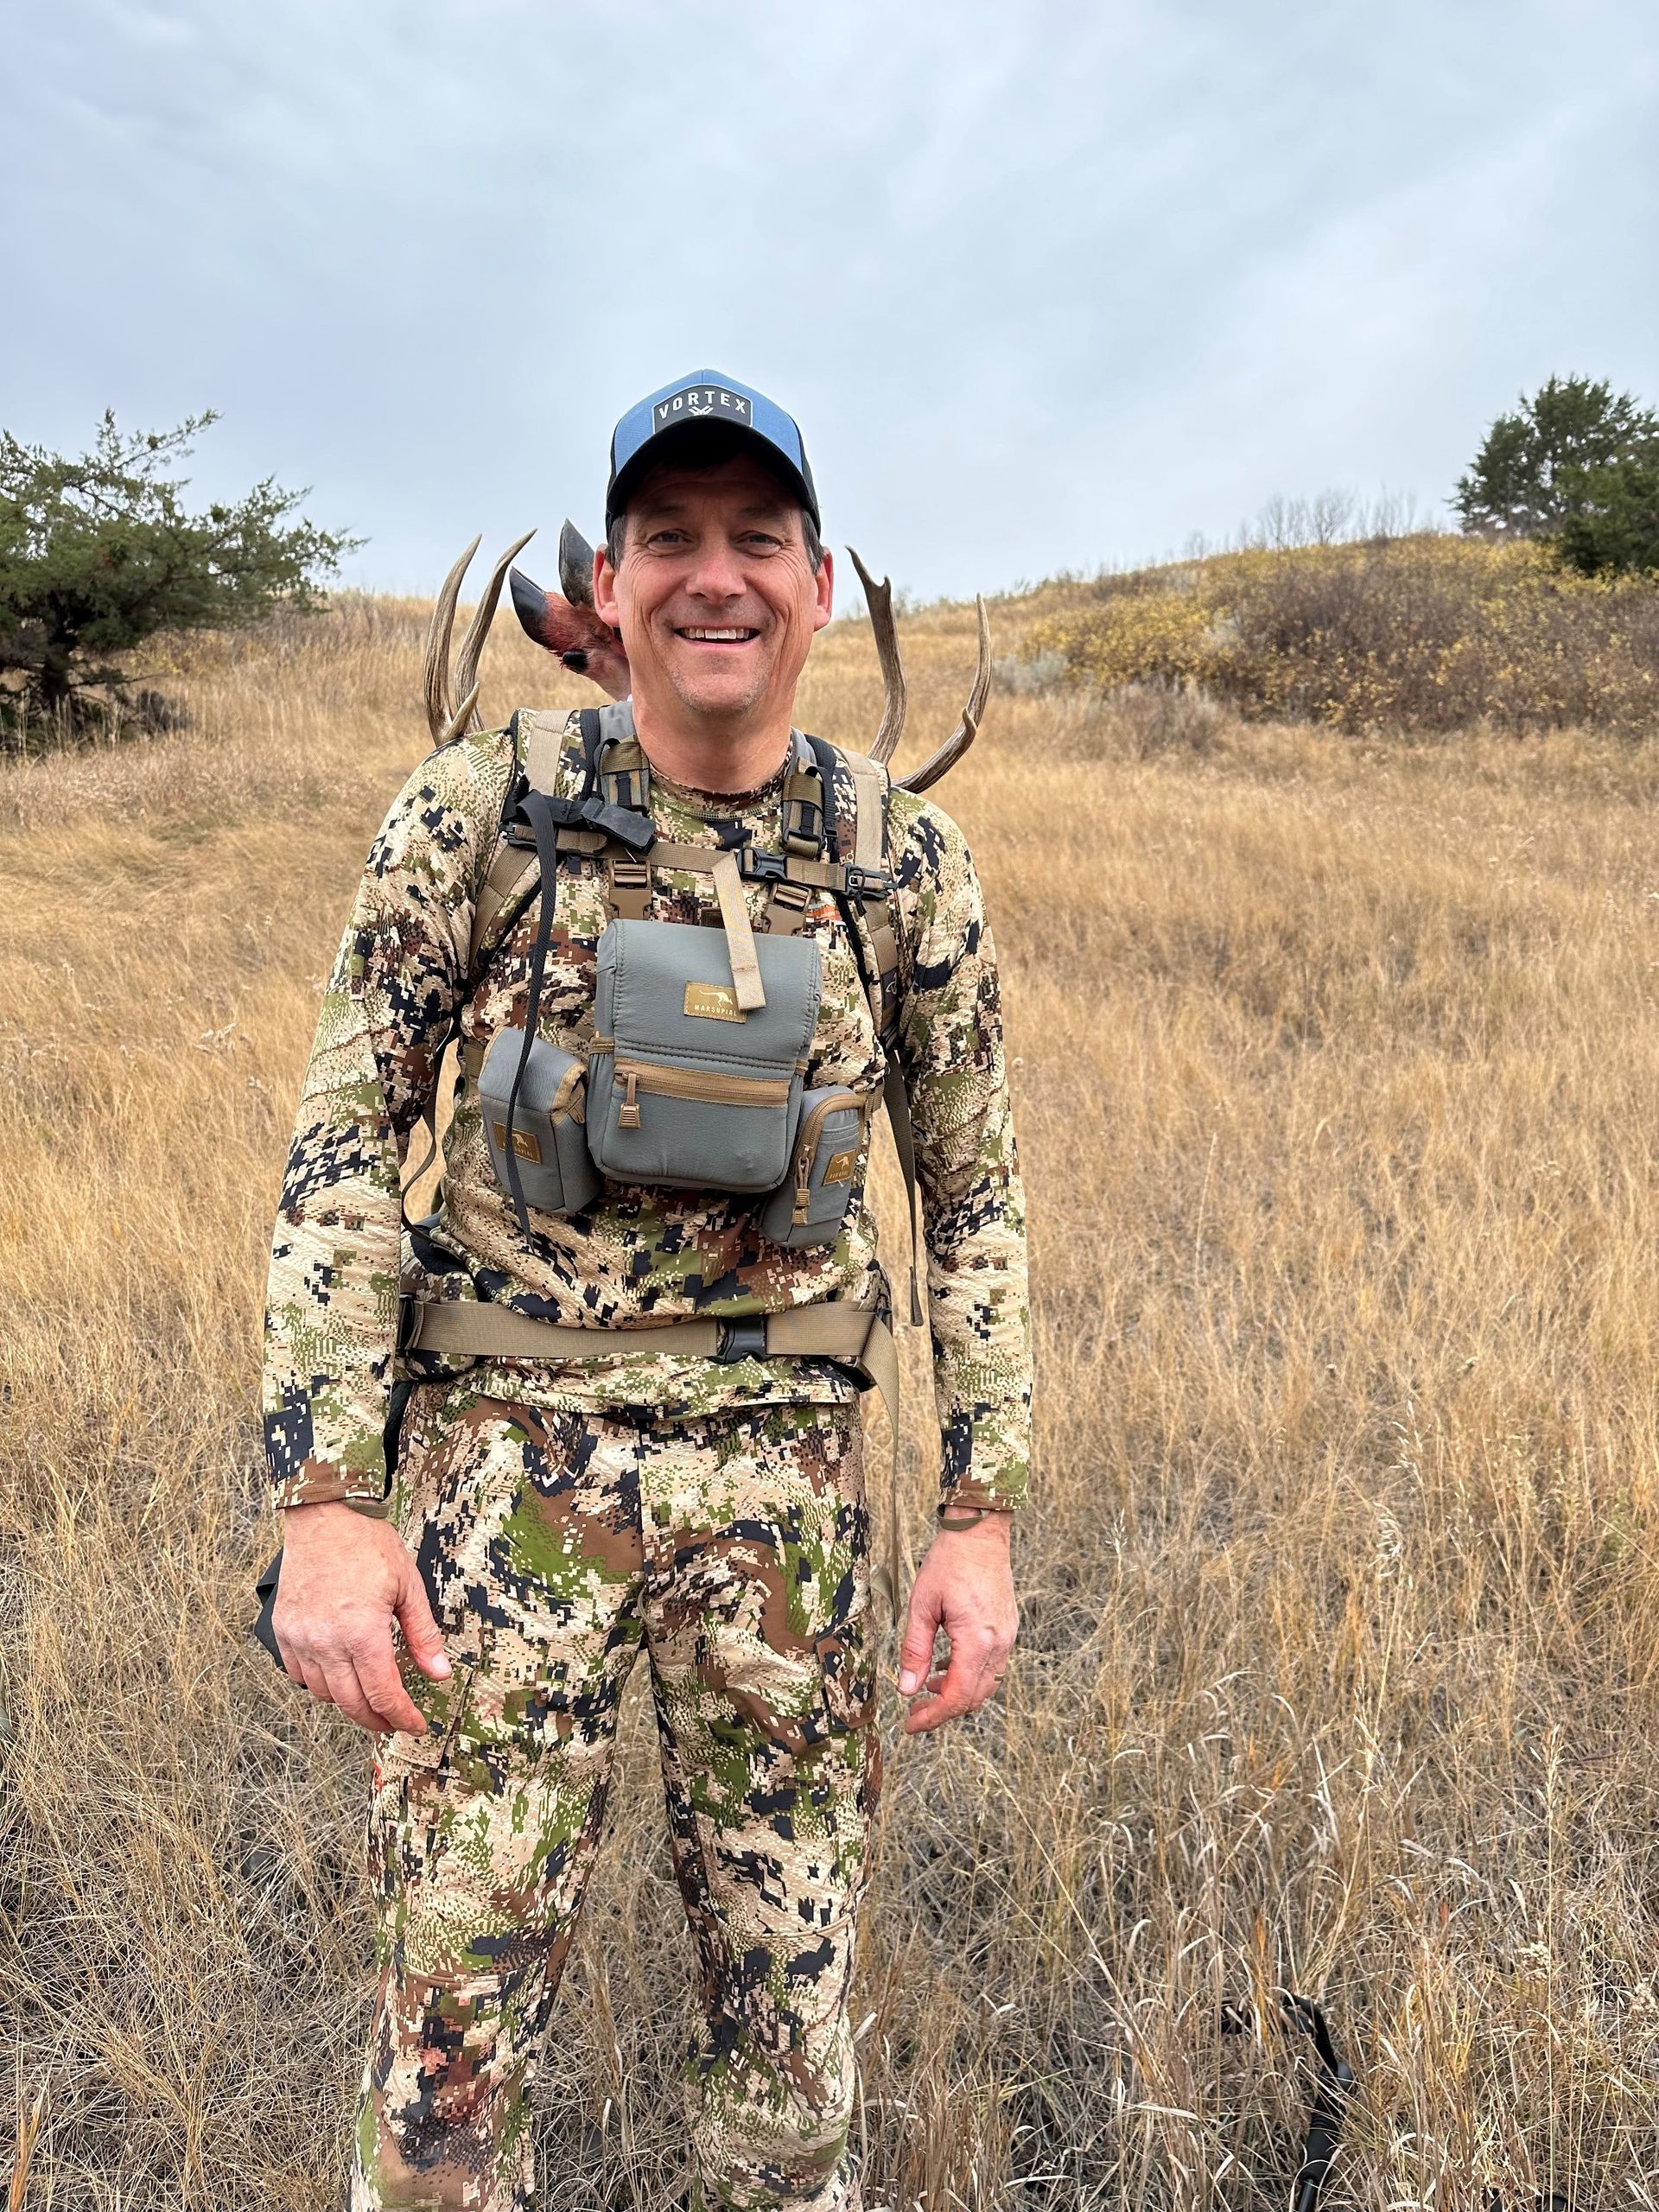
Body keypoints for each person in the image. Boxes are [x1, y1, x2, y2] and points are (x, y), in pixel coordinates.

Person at [261, 371, 1032, 2212]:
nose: (716, 578)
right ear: (606, 582)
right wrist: (328, 1497)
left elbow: (978, 1194)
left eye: (756, 537)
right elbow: (344, 1152)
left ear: (818, 583)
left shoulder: (899, 861)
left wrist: (982, 1506)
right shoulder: (475, 814)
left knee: (792, 2060)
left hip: (793, 1525)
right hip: (496, 1517)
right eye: (669, 537)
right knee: (448, 2056)